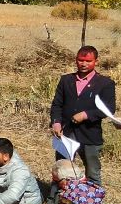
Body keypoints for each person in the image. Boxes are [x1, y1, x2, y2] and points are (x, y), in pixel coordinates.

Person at [49, 45, 117, 185]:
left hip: (89, 134)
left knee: (92, 172)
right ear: (76, 60)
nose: (84, 64)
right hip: (66, 132)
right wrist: (56, 122)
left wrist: (86, 115)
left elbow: (108, 109)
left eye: (88, 61)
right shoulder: (66, 80)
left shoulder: (105, 83)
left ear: (96, 62)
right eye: (81, 60)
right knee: (62, 170)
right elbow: (57, 104)